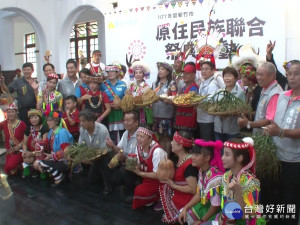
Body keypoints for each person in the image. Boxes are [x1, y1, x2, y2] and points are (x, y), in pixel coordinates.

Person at [265, 60, 300, 225]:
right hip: (275, 156)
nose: (292, 78)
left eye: (296, 74)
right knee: (275, 195)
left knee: (290, 199)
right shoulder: (283, 96)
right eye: (289, 74)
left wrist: (280, 132)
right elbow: (274, 121)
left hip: (294, 159)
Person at [219, 138, 264, 225]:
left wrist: (238, 192)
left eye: (227, 155)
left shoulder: (251, 182)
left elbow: (246, 215)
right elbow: (225, 204)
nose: (222, 158)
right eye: (223, 154)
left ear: (239, 158)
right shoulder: (226, 176)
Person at [178, 139, 224, 225]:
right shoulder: (202, 171)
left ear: (207, 158)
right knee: (181, 215)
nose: (192, 157)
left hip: (217, 211)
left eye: (197, 155)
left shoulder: (215, 178)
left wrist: (201, 221)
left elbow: (215, 206)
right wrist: (185, 207)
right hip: (206, 205)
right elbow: (199, 193)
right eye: (193, 154)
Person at [159, 131, 198, 224]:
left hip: (185, 201)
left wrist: (173, 185)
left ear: (180, 146)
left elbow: (193, 189)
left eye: (173, 141)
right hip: (178, 196)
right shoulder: (179, 159)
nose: (171, 143)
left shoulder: (189, 165)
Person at [128, 126, 167, 209]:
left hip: (160, 181)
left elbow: (159, 175)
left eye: (141, 136)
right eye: (137, 136)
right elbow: (139, 163)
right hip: (147, 179)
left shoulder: (157, 151)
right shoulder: (139, 147)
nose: (138, 139)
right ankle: (150, 197)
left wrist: (140, 173)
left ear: (150, 139)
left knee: (139, 191)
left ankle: (161, 197)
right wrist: (133, 165)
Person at [238, 62, 283, 134]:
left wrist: (249, 123)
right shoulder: (265, 88)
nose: (258, 77)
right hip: (259, 134)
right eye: (257, 74)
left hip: (266, 138)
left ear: (271, 76)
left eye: (261, 75)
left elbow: (269, 120)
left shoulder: (275, 94)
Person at [106, 110, 140, 202]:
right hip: (126, 163)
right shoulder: (125, 133)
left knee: (126, 173)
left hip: (137, 166)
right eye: (124, 120)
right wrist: (112, 146)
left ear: (136, 122)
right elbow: (119, 149)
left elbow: (139, 159)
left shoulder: (140, 136)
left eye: (128, 121)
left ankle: (133, 191)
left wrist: (124, 158)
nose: (125, 123)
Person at [78, 109, 114, 195]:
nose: (81, 123)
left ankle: (108, 186)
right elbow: (81, 146)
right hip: (92, 155)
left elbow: (104, 151)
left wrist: (90, 159)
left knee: (103, 164)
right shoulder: (82, 130)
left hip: (104, 155)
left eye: (83, 121)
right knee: (91, 181)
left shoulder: (102, 130)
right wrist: (82, 157)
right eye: (80, 121)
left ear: (91, 120)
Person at [34, 111, 73, 187]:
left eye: (50, 120)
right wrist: (39, 147)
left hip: (65, 160)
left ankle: (60, 177)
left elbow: (66, 151)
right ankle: (58, 174)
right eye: (47, 120)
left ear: (57, 121)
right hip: (55, 157)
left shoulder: (62, 132)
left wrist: (52, 157)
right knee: (36, 163)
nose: (48, 122)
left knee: (41, 163)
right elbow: (47, 144)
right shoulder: (51, 131)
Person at [214, 67, 245, 142]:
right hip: (218, 128)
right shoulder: (219, 91)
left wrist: (230, 112)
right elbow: (213, 106)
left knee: (231, 151)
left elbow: (242, 109)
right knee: (219, 150)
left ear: (235, 78)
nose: (227, 78)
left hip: (232, 129)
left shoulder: (240, 92)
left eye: (230, 76)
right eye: (225, 76)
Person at [101, 65, 127, 145]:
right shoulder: (103, 85)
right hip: (108, 113)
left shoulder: (123, 84)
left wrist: (120, 105)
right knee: (110, 135)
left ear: (117, 73)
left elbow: (126, 99)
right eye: (108, 72)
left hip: (120, 113)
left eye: (112, 71)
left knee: (122, 134)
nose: (110, 73)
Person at [152, 62, 177, 138]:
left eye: (162, 69)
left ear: (168, 72)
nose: (160, 71)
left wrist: (165, 100)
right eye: (159, 69)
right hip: (155, 114)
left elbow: (174, 99)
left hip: (167, 115)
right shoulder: (154, 84)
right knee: (157, 137)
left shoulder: (172, 84)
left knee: (166, 138)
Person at [0, 104, 27, 175]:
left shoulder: (22, 124)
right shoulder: (4, 123)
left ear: (16, 113)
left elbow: (27, 138)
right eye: (8, 112)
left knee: (10, 167)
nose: (10, 114)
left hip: (19, 150)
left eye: (12, 112)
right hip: (10, 151)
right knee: (7, 170)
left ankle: (24, 164)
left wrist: (20, 146)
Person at [22, 109, 49, 177]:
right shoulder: (28, 129)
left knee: (36, 162)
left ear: (39, 118)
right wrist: (25, 152)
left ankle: (42, 171)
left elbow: (44, 147)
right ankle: (32, 169)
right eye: (31, 118)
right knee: (25, 157)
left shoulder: (44, 128)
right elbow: (24, 144)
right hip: (30, 152)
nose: (33, 120)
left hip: (42, 153)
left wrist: (32, 153)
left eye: (35, 117)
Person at [197, 61, 220, 141]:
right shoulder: (203, 83)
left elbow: (210, 101)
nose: (203, 71)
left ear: (213, 71)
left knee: (207, 144)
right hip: (201, 118)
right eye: (202, 69)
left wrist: (195, 102)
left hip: (208, 120)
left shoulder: (213, 84)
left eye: (206, 69)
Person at [174, 62, 199, 132]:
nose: (184, 76)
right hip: (180, 120)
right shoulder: (184, 88)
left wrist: (174, 101)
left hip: (188, 122)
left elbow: (190, 103)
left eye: (187, 74)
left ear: (194, 75)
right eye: (184, 74)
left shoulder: (194, 88)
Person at [127, 61, 153, 126]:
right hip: (133, 111)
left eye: (140, 72)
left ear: (143, 75)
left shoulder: (146, 86)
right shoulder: (131, 86)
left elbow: (148, 100)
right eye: (136, 73)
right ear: (134, 75)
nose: (138, 74)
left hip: (143, 112)